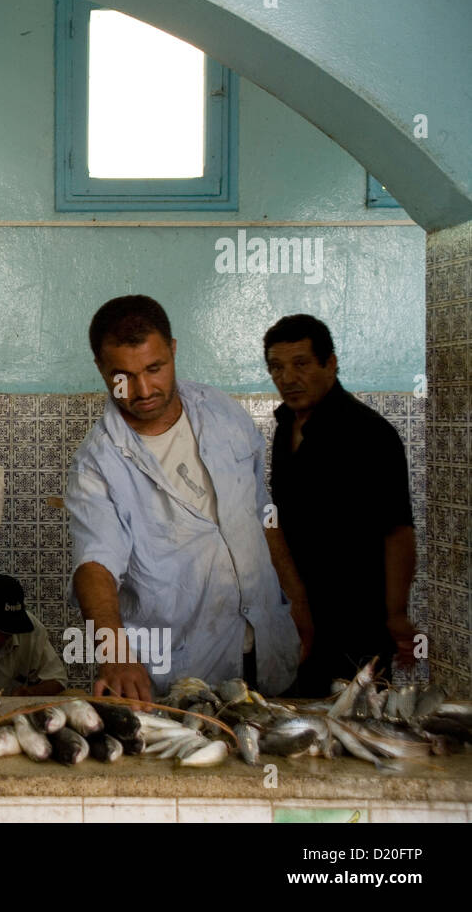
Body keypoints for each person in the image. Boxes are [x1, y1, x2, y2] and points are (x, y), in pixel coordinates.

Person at [63, 295, 310, 700]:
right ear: (101, 370)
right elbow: (95, 564)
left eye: (155, 368)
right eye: (123, 376)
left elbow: (263, 514)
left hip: (268, 645)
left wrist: (297, 602)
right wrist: (117, 654)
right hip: (183, 673)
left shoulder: (223, 413)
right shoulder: (97, 464)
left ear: (173, 350)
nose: (142, 389)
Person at [264, 314, 418, 695]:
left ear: (329, 364)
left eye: (300, 364)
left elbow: (398, 532)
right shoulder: (286, 427)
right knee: (300, 727)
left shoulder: (369, 435)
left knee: (361, 724)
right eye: (276, 367)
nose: (287, 378)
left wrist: (396, 614)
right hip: (299, 610)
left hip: (357, 615)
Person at [0, 573, 67, 695]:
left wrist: (30, 692)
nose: (4, 638)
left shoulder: (32, 630)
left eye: (10, 632)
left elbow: (57, 680)